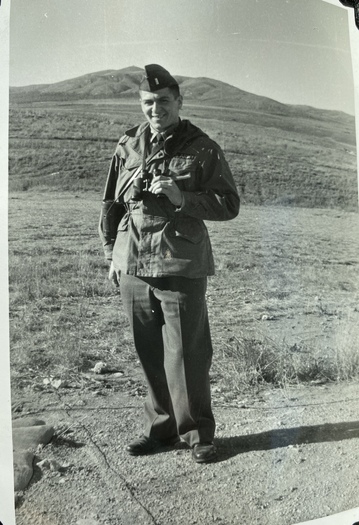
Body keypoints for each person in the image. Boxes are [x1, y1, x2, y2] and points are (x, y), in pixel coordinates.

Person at [99, 64, 240, 463]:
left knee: (188, 354)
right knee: (149, 353)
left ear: (179, 102)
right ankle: (161, 430)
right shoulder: (127, 144)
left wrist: (181, 198)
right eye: (148, 102)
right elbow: (111, 205)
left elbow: (229, 204)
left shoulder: (202, 147)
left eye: (163, 101)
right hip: (134, 264)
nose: (155, 108)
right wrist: (113, 254)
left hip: (180, 262)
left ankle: (198, 435)